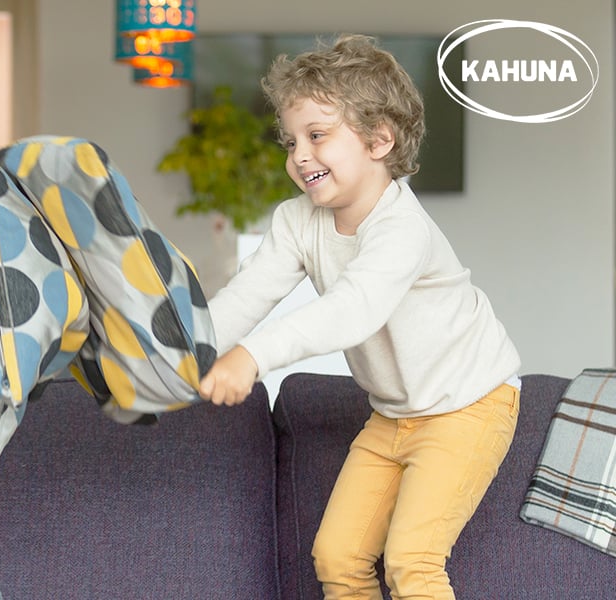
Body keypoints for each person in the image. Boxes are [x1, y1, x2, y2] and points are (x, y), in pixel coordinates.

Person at [199, 35, 520, 599]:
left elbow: (352, 311)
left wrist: (253, 355)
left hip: (468, 408)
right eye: (291, 140)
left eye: (317, 136)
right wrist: (187, 349)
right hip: (393, 416)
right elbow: (246, 295)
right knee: (338, 556)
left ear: (379, 139)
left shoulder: (403, 229)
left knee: (412, 561)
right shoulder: (296, 222)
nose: (299, 155)